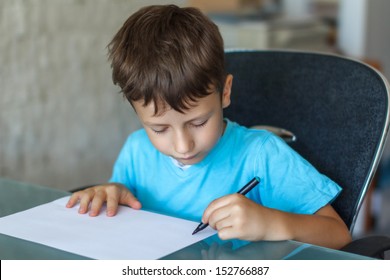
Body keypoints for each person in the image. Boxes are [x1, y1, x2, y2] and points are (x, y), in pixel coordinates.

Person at [66, 4, 351, 249]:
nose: (182, 145)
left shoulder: (262, 155)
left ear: (225, 92)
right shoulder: (136, 151)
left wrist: (272, 223)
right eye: (159, 129)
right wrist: (111, 193)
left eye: (199, 122)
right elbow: (122, 219)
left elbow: (338, 235)